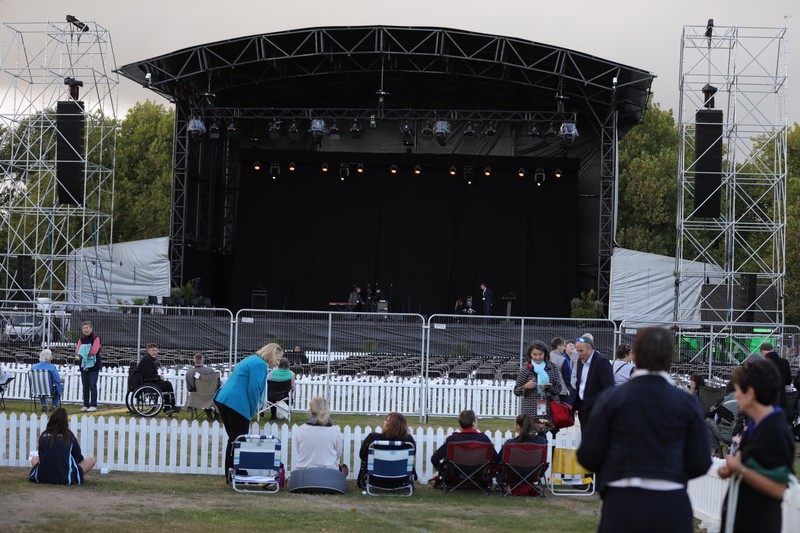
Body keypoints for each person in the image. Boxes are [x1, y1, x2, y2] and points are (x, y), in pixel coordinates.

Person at [577, 326, 711, 533]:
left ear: (635, 356)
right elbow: (700, 461)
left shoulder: (612, 399)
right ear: (669, 358)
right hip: (671, 503)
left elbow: (588, 456)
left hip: (622, 503)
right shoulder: (685, 403)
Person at [718, 359, 795, 533]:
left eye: (738, 390)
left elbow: (777, 488)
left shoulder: (775, 431)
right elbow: (759, 468)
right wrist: (734, 470)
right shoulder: (756, 425)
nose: (736, 396)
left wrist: (740, 469)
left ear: (750, 393)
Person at [214, 343, 283, 481]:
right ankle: (236, 471)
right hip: (236, 403)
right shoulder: (260, 364)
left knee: (234, 439)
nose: (278, 363)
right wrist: (253, 410)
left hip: (224, 399)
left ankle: (231, 471)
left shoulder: (252, 359)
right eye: (278, 359)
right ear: (272, 355)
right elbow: (254, 389)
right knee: (240, 439)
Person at [28, 407, 96, 485]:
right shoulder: (69, 435)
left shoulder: (44, 435)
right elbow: (79, 457)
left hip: (43, 476)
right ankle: (78, 475)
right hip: (64, 477)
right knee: (92, 459)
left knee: (35, 458)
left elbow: (41, 455)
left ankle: (44, 474)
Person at [357, 411, 417, 488]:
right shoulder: (408, 440)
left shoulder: (373, 438)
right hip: (402, 479)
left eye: (386, 420)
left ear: (389, 424)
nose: (383, 422)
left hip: (375, 478)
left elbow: (362, 456)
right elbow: (412, 457)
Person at [430, 409, 497, 475]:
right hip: (479, 477)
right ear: (473, 423)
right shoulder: (484, 439)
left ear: (460, 424)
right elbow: (496, 460)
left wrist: (440, 469)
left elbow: (434, 458)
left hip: (455, 477)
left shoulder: (452, 440)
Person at [513, 340, 562, 428]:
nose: (538, 357)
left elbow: (558, 389)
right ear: (530, 354)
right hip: (531, 412)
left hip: (549, 410)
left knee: (549, 437)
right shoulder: (526, 369)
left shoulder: (553, 367)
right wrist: (526, 386)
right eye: (535, 354)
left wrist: (549, 388)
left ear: (545, 354)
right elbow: (516, 391)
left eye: (540, 354)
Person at [496, 414, 548, 492]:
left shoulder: (510, 444)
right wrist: (541, 431)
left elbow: (498, 461)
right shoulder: (541, 443)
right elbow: (543, 440)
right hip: (533, 476)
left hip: (511, 476)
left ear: (518, 427)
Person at [572, 334, 614, 428]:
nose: (578, 353)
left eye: (581, 351)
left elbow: (609, 387)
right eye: (577, 350)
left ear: (590, 349)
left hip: (597, 409)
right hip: (583, 408)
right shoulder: (580, 361)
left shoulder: (602, 362)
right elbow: (580, 384)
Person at [293, 396, 345, 471]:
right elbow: (338, 455)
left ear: (311, 410)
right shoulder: (335, 431)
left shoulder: (301, 430)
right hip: (329, 474)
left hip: (303, 475)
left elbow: (299, 451)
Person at [137, 343, 180, 413]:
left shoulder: (150, 359)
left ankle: (168, 407)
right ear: (148, 351)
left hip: (150, 382)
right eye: (153, 350)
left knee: (166, 385)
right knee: (167, 384)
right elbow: (148, 375)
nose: (155, 352)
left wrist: (158, 377)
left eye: (156, 351)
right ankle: (171, 405)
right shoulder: (147, 360)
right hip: (148, 383)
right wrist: (159, 377)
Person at [74, 321, 101, 412]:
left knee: (92, 385)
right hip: (83, 365)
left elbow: (94, 351)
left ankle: (93, 405)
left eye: (87, 327)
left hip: (94, 366)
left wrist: (84, 353)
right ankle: (86, 404)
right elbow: (77, 351)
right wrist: (83, 353)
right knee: (85, 386)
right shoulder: (81, 340)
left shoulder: (96, 338)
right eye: (84, 328)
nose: (85, 329)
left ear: (91, 329)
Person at [761, 341, 792, 414]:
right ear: (772, 349)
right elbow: (788, 381)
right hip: (780, 399)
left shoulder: (762, 363)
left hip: (766, 401)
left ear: (763, 352)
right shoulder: (784, 362)